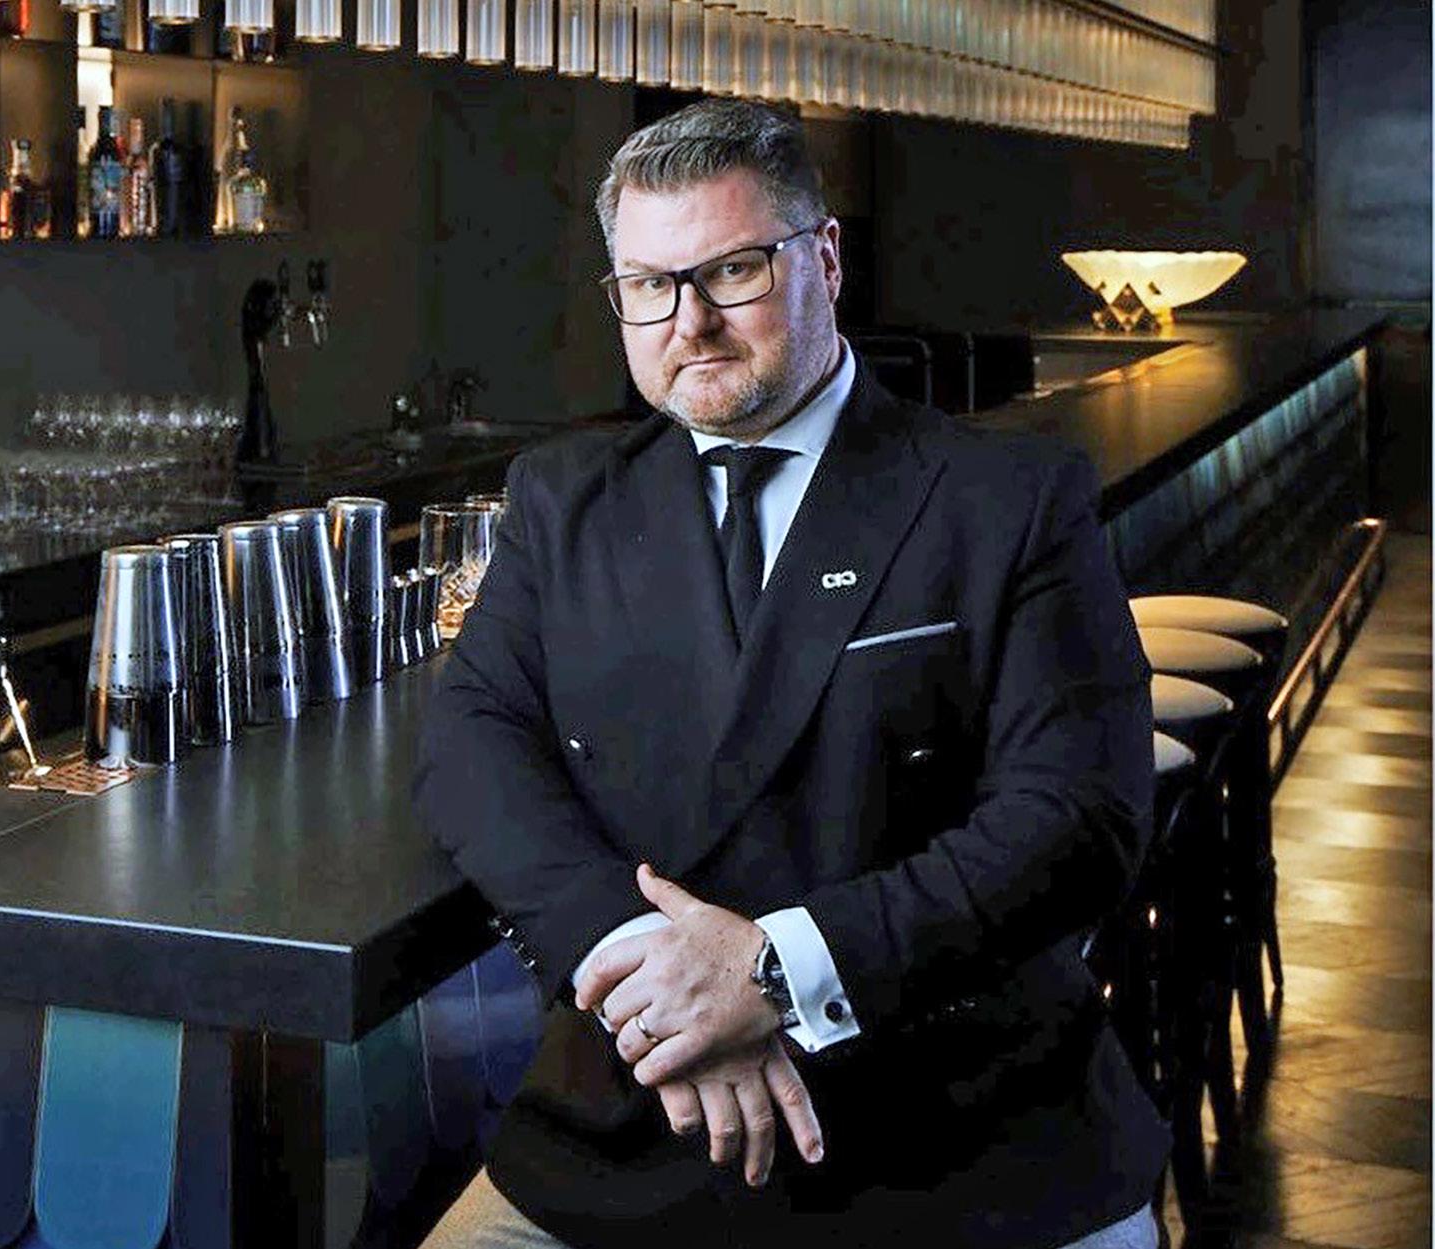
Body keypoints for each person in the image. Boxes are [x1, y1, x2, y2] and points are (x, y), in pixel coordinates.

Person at [415, 98, 1169, 1249]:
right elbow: (471, 742)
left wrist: (773, 973)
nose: (691, 322)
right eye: (650, 285)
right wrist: (644, 970)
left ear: (825, 259)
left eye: (732, 272)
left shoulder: (1006, 499)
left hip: (961, 1126)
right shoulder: (566, 499)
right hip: (639, 1107)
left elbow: (1078, 819)